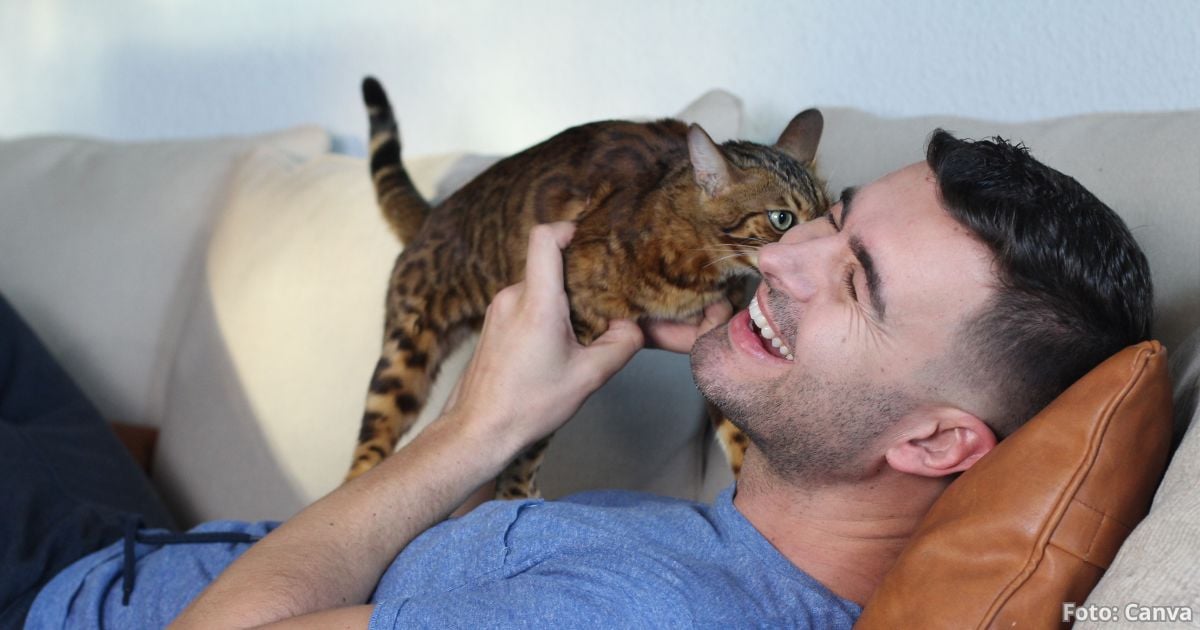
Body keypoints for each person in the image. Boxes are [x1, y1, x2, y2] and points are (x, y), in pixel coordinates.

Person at [11, 130, 1152, 628]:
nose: (777, 254)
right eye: (823, 217)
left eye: (854, 281)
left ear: (940, 444)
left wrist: (479, 424)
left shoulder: (648, 615)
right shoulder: (744, 554)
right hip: (134, 542)